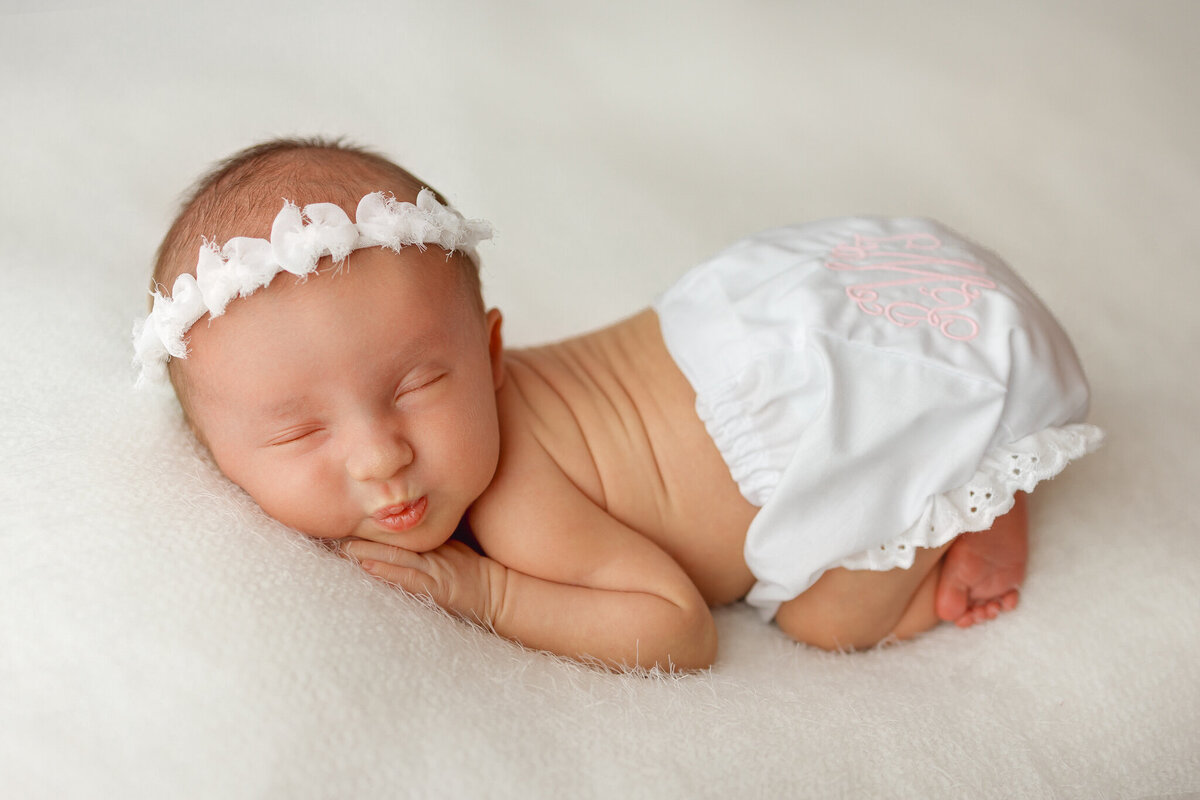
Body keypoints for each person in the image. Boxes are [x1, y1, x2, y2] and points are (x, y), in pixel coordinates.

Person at [133, 137, 1103, 670]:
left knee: (833, 622)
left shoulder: (513, 496)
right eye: (301, 429)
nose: (381, 454)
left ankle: (976, 495)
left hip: (858, 387)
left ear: (491, 354)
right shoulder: (439, 441)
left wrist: (488, 592)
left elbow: (679, 626)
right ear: (216, 453)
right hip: (776, 320)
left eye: (420, 384)